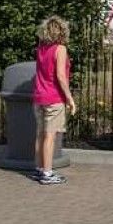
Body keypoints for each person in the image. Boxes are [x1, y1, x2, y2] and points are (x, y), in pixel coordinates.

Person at [33, 16, 75, 185]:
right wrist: (69, 98)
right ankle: (48, 173)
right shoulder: (60, 49)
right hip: (54, 97)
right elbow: (60, 76)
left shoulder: (41, 48)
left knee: (41, 135)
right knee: (50, 136)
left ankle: (40, 168)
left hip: (39, 96)